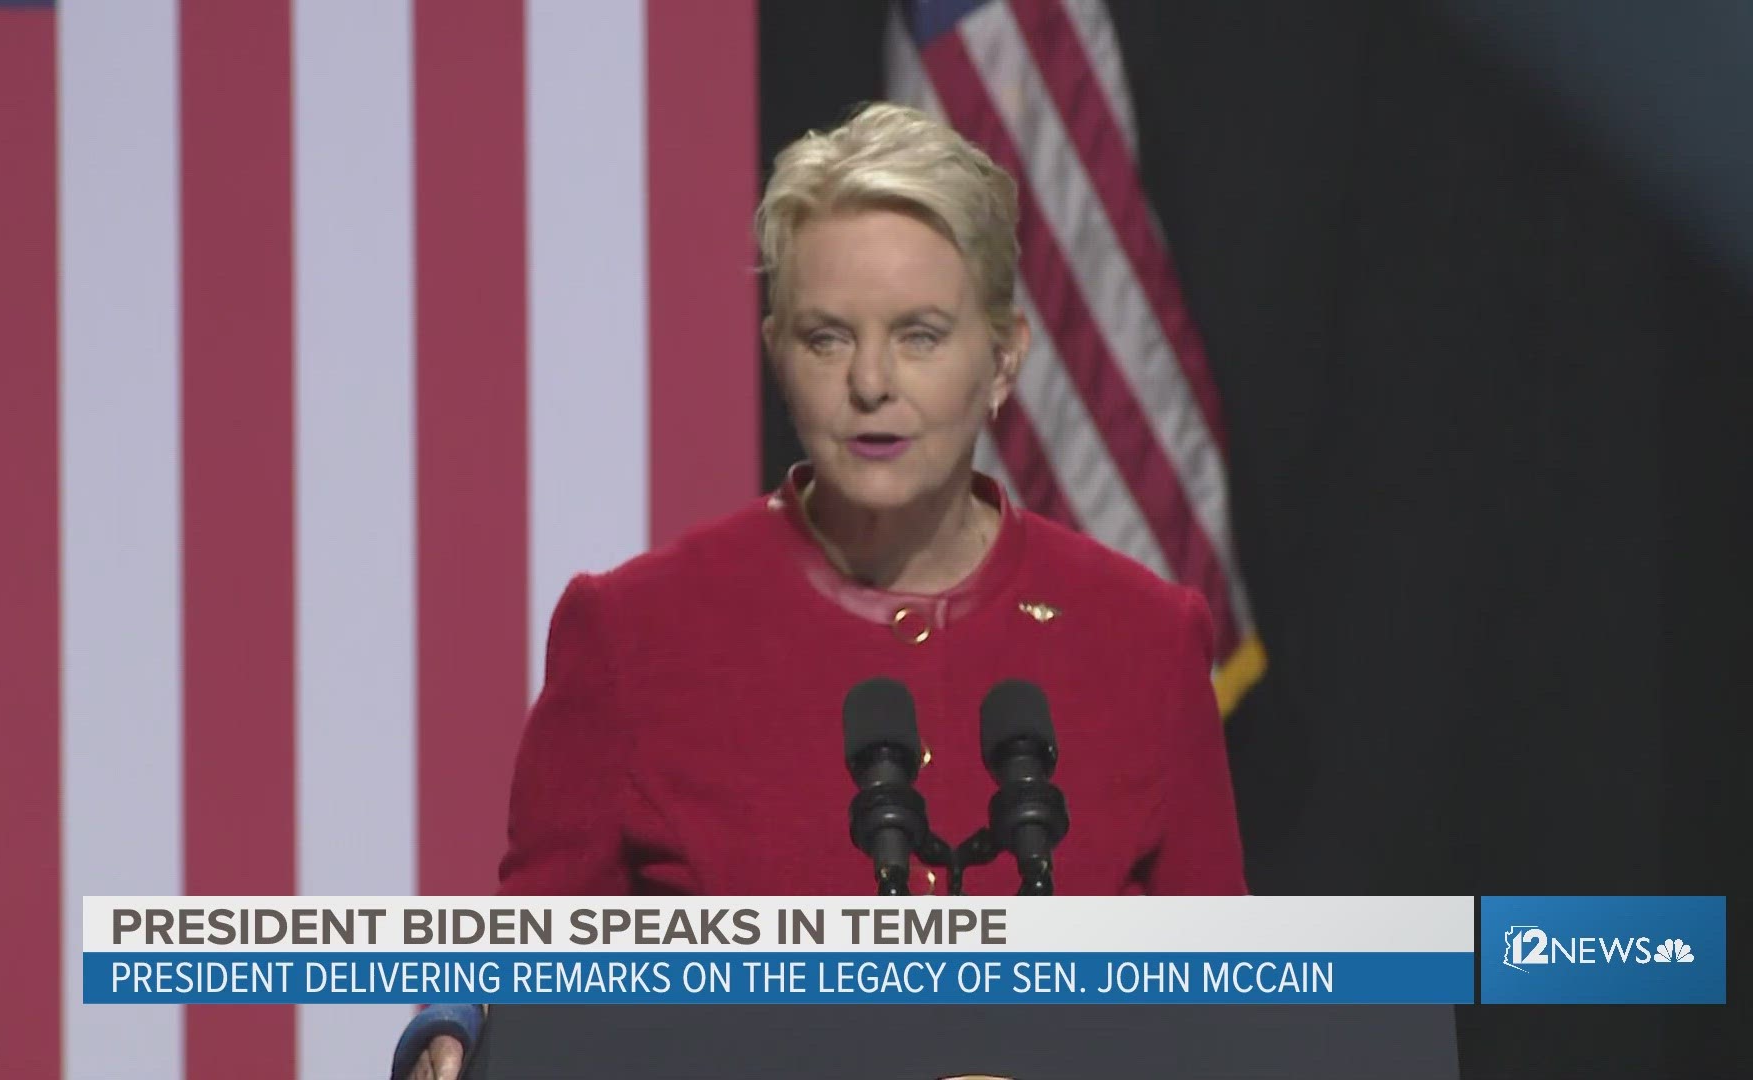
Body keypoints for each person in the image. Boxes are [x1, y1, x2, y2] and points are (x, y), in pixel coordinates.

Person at [391, 101, 1246, 1080]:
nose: (871, 382)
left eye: (920, 336)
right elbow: (525, 949)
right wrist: (454, 1023)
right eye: (828, 338)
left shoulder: (1144, 638)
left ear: (1004, 356)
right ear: (776, 353)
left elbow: (1225, 1006)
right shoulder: (634, 636)